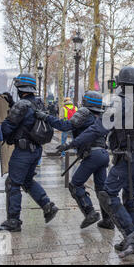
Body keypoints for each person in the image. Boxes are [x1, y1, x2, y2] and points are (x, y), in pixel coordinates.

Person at [38, 91, 114, 230]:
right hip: (103, 154)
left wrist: (46, 117)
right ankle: (108, 220)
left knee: (75, 184)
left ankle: (90, 212)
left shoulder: (84, 112)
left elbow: (65, 125)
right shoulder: (102, 116)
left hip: (92, 155)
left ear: (86, 102)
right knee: (101, 190)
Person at [98, 67, 134, 258]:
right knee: (131, 196)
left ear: (120, 83)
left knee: (107, 194)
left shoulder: (120, 102)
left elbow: (100, 127)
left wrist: (76, 141)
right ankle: (132, 241)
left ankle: (133, 235)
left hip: (129, 154)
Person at [0, 74, 59, 233]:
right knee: (27, 181)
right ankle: (47, 206)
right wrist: (12, 104)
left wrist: (7, 121)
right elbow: (28, 116)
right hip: (36, 150)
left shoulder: (21, 105)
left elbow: (7, 127)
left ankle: (13, 221)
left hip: (23, 152)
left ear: (19, 88)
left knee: (13, 183)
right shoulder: (37, 103)